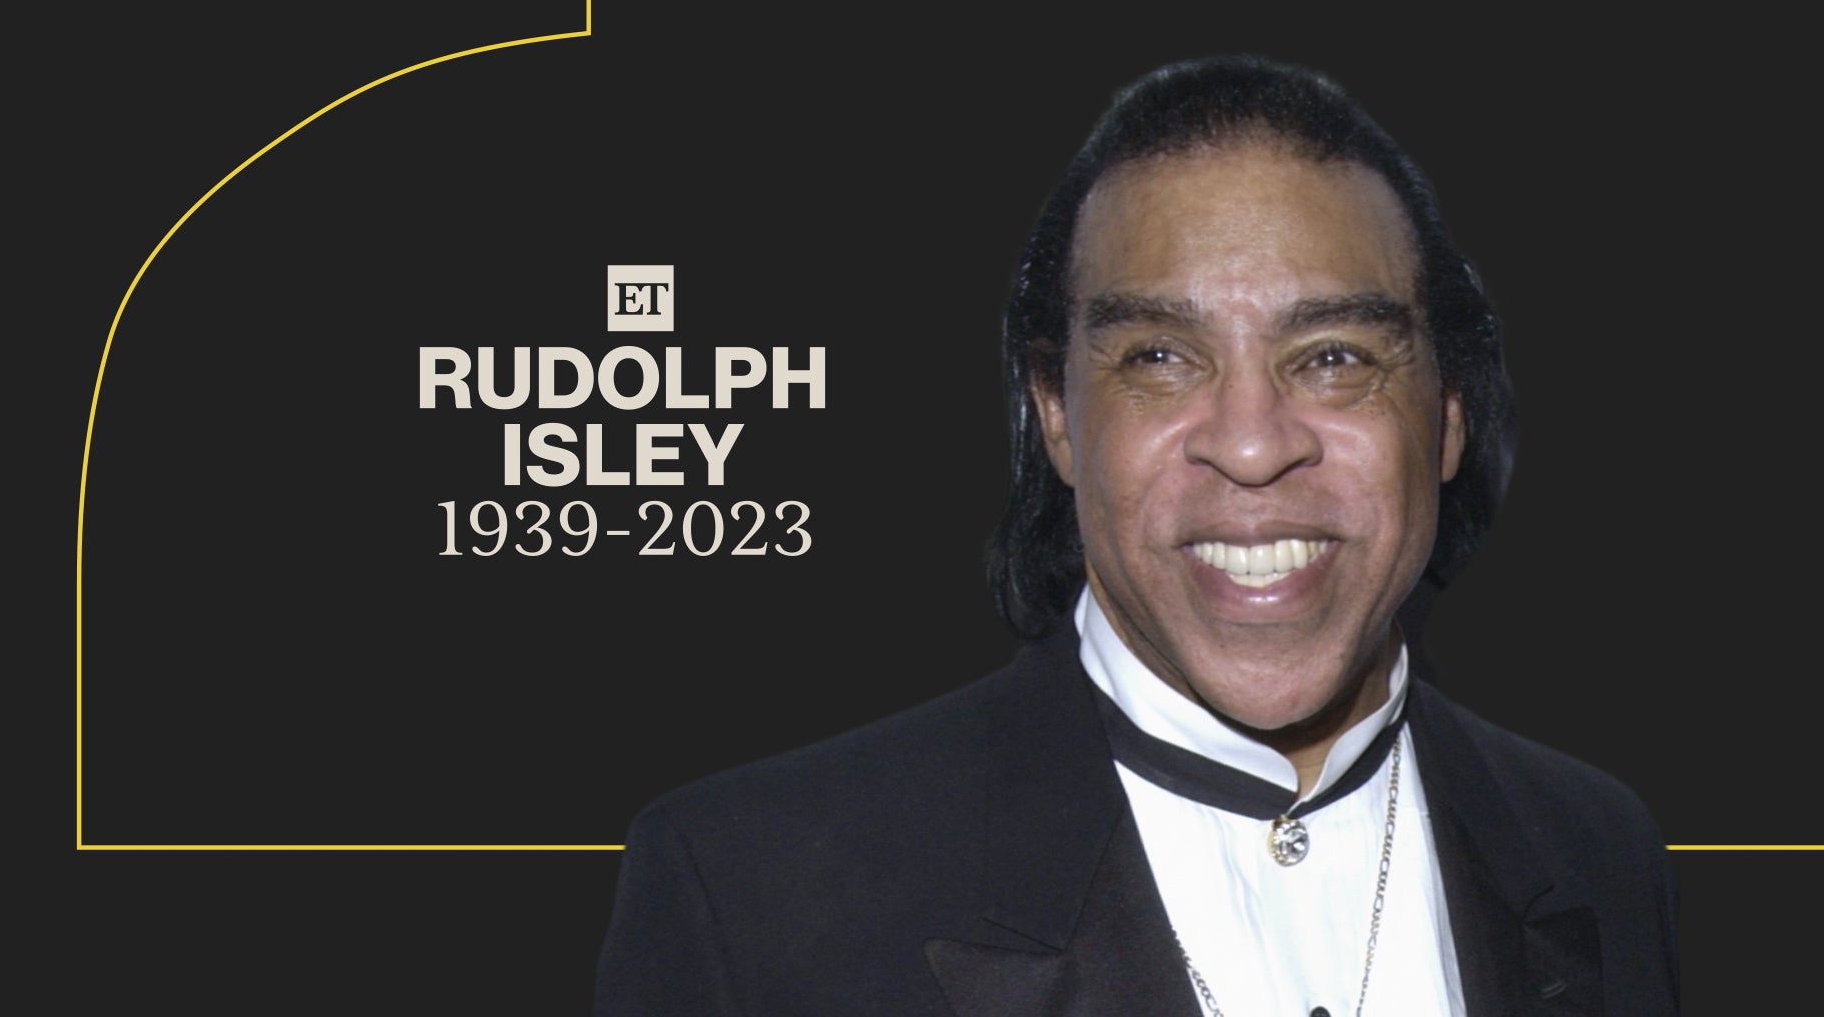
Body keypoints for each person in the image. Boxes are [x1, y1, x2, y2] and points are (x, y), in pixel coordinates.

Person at [594, 55, 1679, 1016]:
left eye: (1335, 357)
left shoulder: (1599, 847)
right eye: (1160, 358)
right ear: (1057, 417)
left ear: (1445, 416)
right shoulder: (747, 890)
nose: (1251, 445)